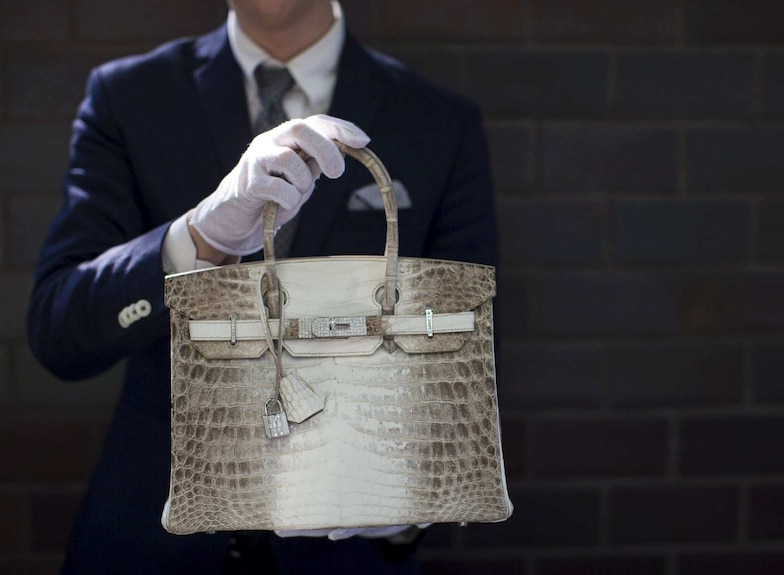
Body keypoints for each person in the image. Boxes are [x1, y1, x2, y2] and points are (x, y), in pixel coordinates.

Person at [27, 0, 497, 573]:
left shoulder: (438, 119)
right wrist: (199, 236)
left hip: (347, 548)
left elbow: (471, 340)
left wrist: (417, 503)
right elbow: (57, 330)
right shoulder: (129, 96)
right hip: (150, 535)